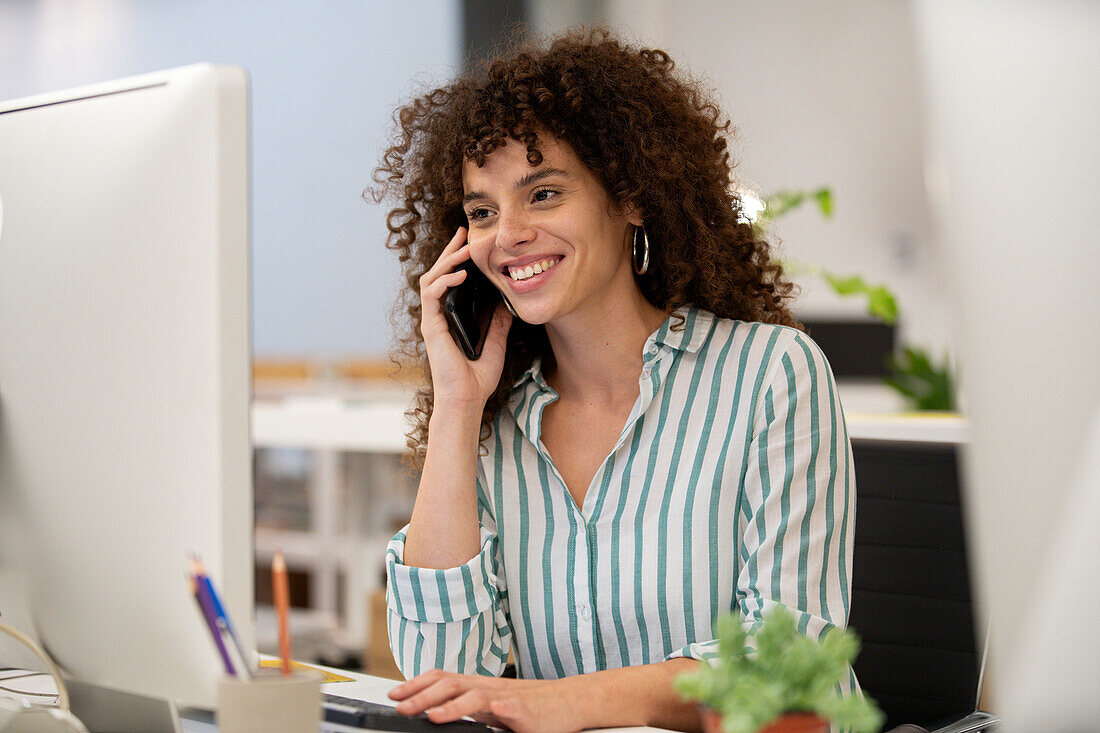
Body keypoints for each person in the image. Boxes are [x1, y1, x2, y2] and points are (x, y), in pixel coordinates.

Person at [371, 28, 856, 733]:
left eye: (542, 193)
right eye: (481, 211)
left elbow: (788, 673)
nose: (506, 234)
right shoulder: (495, 422)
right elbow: (438, 667)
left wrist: (562, 699)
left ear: (630, 197)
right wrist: (456, 408)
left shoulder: (770, 374)